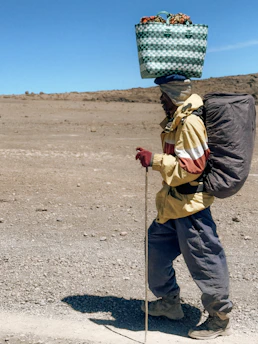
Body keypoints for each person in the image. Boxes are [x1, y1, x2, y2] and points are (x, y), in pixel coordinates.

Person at [135, 74, 233, 340]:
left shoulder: (189, 123)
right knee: (155, 249)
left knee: (205, 262)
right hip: (172, 205)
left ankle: (219, 319)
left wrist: (154, 160)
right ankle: (169, 303)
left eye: (163, 95)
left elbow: (191, 169)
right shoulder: (175, 121)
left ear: (173, 95)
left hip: (191, 208)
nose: (160, 100)